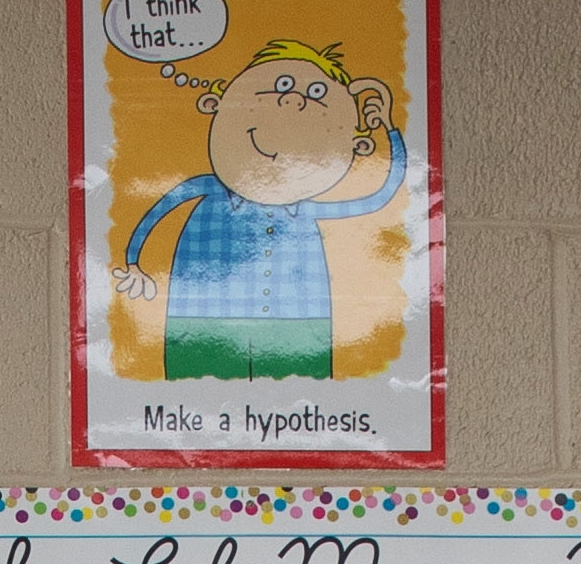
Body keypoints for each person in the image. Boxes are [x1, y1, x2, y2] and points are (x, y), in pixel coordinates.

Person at [111, 39, 412, 385]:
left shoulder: (302, 210)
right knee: (194, 391)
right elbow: (158, 211)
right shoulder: (206, 189)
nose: (293, 100)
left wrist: (389, 127)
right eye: (281, 86)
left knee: (303, 398)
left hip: (297, 323)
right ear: (216, 104)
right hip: (202, 320)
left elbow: (380, 194)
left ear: (357, 145)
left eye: (315, 94)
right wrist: (134, 263)